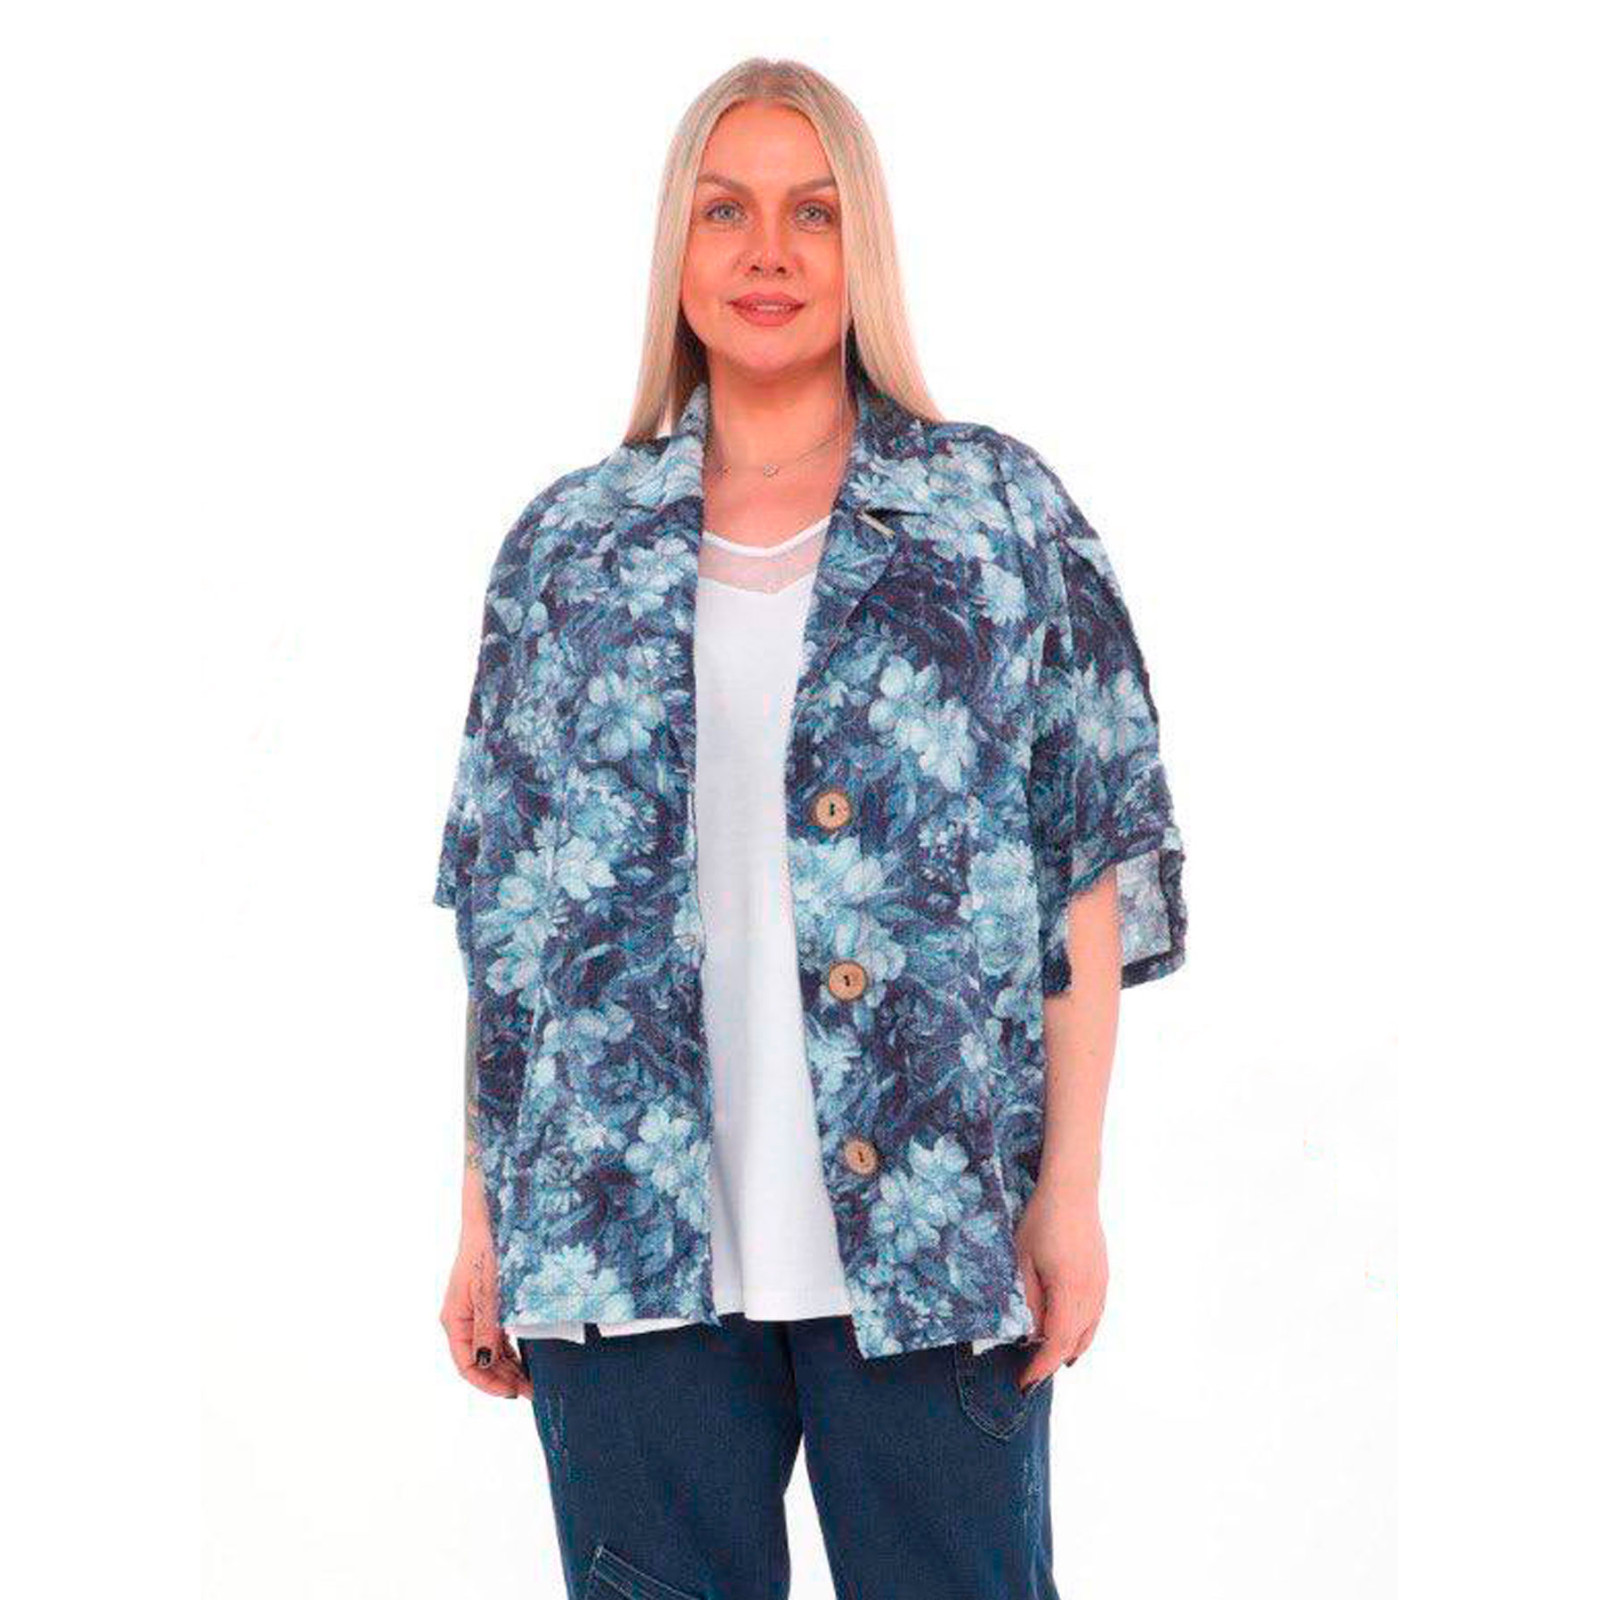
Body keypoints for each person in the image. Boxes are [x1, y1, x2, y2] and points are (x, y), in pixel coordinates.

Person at [434, 56, 1187, 1600]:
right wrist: (481, 1219)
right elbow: (508, 920)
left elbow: (1086, 862)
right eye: (727, 212)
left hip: (931, 1231)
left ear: (867, 249)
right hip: (617, 1243)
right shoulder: (567, 547)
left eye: (813, 213)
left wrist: (1069, 1191)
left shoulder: (995, 517)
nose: (767, 252)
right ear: (678, 247)